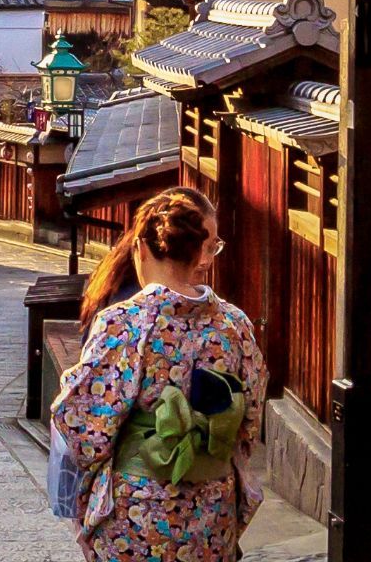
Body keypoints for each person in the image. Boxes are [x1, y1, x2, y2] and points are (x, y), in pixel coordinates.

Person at [49, 188, 266, 562]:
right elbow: (248, 422)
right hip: (212, 512)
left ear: (143, 249)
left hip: (137, 513)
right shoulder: (235, 325)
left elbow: (79, 420)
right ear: (200, 252)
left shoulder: (125, 323)